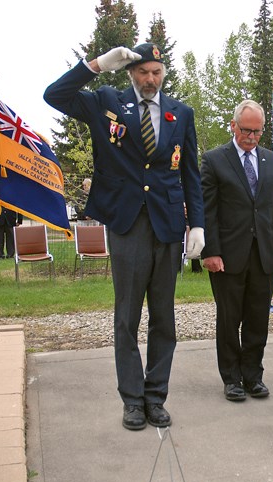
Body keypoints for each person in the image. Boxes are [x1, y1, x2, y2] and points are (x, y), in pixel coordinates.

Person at [44, 43, 205, 430]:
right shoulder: (106, 102)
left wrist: (197, 223)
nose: (150, 80)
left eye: (157, 73)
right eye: (144, 72)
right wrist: (96, 65)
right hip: (127, 223)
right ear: (131, 72)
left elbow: (190, 174)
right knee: (127, 316)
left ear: (163, 73)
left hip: (167, 224)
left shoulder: (180, 113)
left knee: (164, 317)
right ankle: (132, 400)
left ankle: (156, 397)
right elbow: (54, 95)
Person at [201, 99, 273, 402]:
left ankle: (253, 375)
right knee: (229, 319)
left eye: (257, 132)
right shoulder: (214, 160)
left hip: (264, 254)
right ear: (233, 126)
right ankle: (231, 378)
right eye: (246, 131)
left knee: (257, 318)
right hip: (227, 256)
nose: (251, 137)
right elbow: (207, 211)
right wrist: (210, 252)